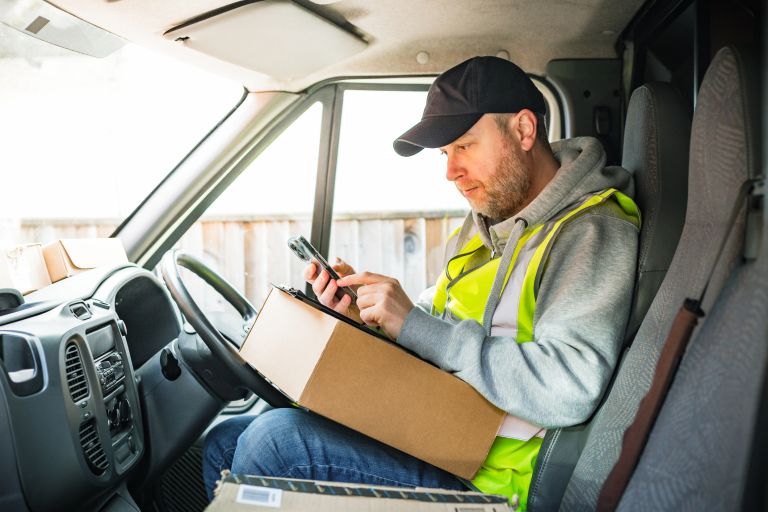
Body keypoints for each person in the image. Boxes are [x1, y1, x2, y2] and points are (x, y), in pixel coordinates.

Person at [202, 56, 640, 510]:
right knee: (226, 442)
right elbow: (435, 325)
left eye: (465, 146)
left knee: (274, 442)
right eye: (445, 154)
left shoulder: (591, 231)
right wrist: (366, 317)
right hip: (438, 432)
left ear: (524, 131)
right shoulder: (483, 228)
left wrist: (414, 324)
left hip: (493, 483)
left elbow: (570, 387)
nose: (450, 172)